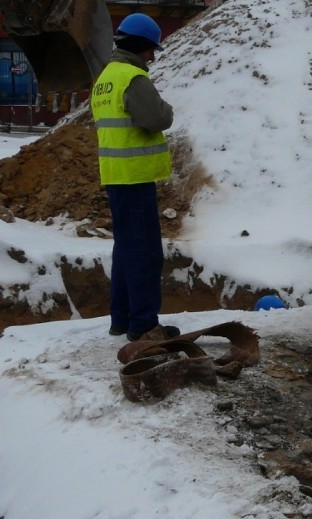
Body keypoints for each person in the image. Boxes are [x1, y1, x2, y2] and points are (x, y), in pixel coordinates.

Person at [91, 13, 179, 341]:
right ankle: (143, 324)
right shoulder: (133, 77)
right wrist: (166, 108)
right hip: (135, 177)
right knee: (144, 252)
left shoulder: (106, 77)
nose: (152, 56)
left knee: (126, 248)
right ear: (140, 45)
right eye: (150, 50)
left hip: (116, 176)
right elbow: (157, 117)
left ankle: (122, 318)